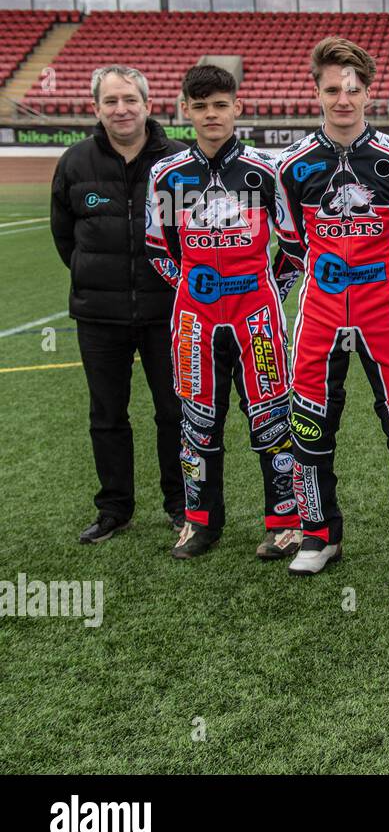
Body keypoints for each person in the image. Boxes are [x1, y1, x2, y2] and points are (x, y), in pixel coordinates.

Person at [274, 38, 389, 575]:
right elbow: (292, 243)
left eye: (352, 90)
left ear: (368, 93)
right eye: (333, 89)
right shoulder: (292, 166)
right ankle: (319, 534)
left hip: (385, 312)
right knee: (311, 425)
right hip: (320, 314)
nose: (343, 99)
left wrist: (378, 277)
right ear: (316, 91)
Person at [144, 64, 302, 560]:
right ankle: (199, 522)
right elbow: (158, 249)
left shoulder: (265, 170)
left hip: (257, 316)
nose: (211, 115)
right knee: (197, 420)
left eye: (220, 105)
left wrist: (266, 289)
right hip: (196, 320)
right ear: (185, 110)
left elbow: (294, 246)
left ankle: (284, 522)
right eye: (200, 106)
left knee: (272, 417)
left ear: (236, 107)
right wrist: (194, 287)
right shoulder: (167, 174)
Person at [50, 65, 187, 544]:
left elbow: (190, 236)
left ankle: (180, 504)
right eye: (111, 101)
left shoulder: (179, 161)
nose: (121, 109)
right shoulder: (74, 163)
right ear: (96, 108)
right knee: (107, 414)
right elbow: (65, 238)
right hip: (98, 315)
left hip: (168, 312)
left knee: (174, 411)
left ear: (149, 105)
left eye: (130, 99)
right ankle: (114, 508)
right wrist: (99, 279)